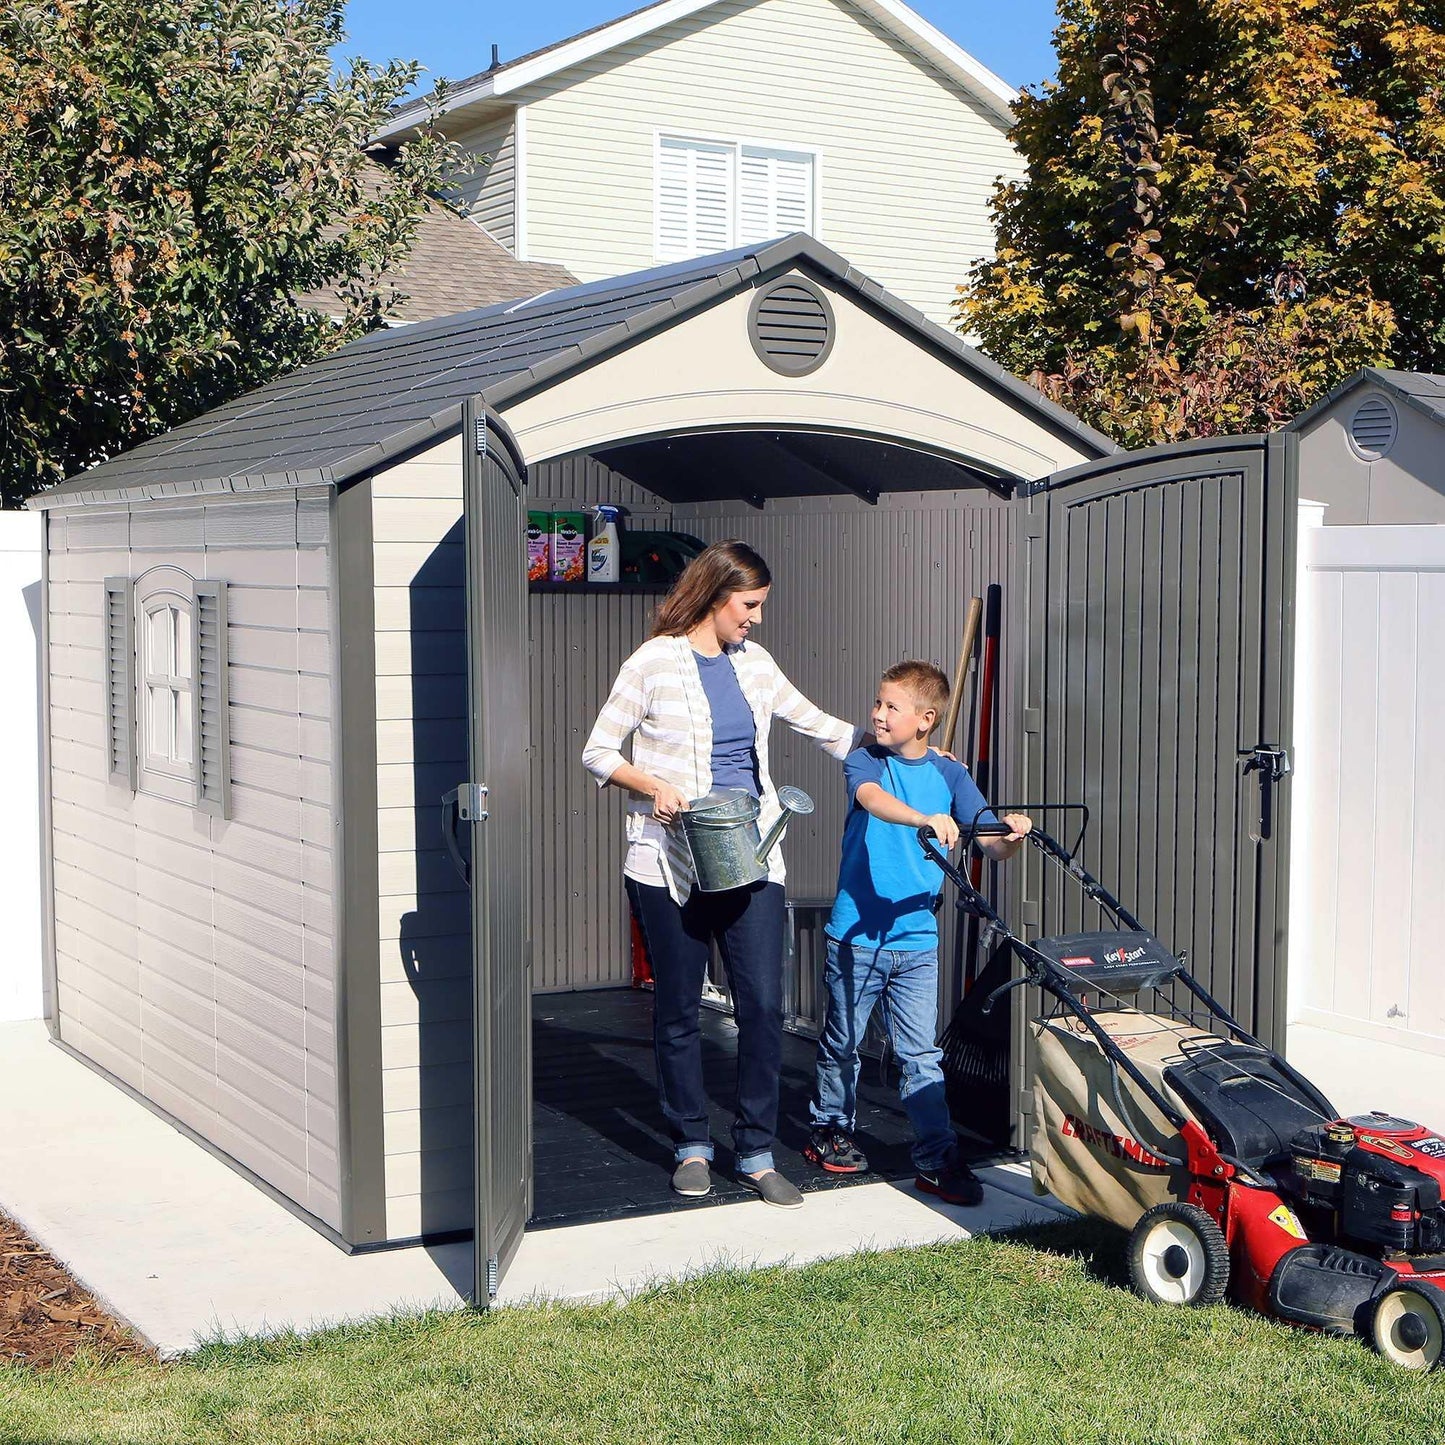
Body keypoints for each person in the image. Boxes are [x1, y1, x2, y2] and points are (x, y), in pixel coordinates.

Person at [582, 539, 860, 1209]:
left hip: (751, 859)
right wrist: (651, 784)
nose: (756, 618)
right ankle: (690, 1143)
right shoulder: (651, 663)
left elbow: (823, 727)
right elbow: (596, 751)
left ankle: (757, 1150)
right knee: (677, 1011)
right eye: (750, 605)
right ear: (715, 595)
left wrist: (911, 750)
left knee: (762, 1006)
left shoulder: (755, 664)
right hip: (666, 863)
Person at [803, 659, 1031, 1206]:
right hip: (855, 939)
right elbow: (871, 801)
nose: (878, 715)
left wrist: (1012, 835)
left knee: (921, 1056)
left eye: (890, 707)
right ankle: (831, 1127)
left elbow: (989, 841)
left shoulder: (950, 775)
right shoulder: (866, 761)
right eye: (878, 703)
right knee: (843, 1044)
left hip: (916, 943)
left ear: (926, 719)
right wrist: (923, 819)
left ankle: (936, 1157)